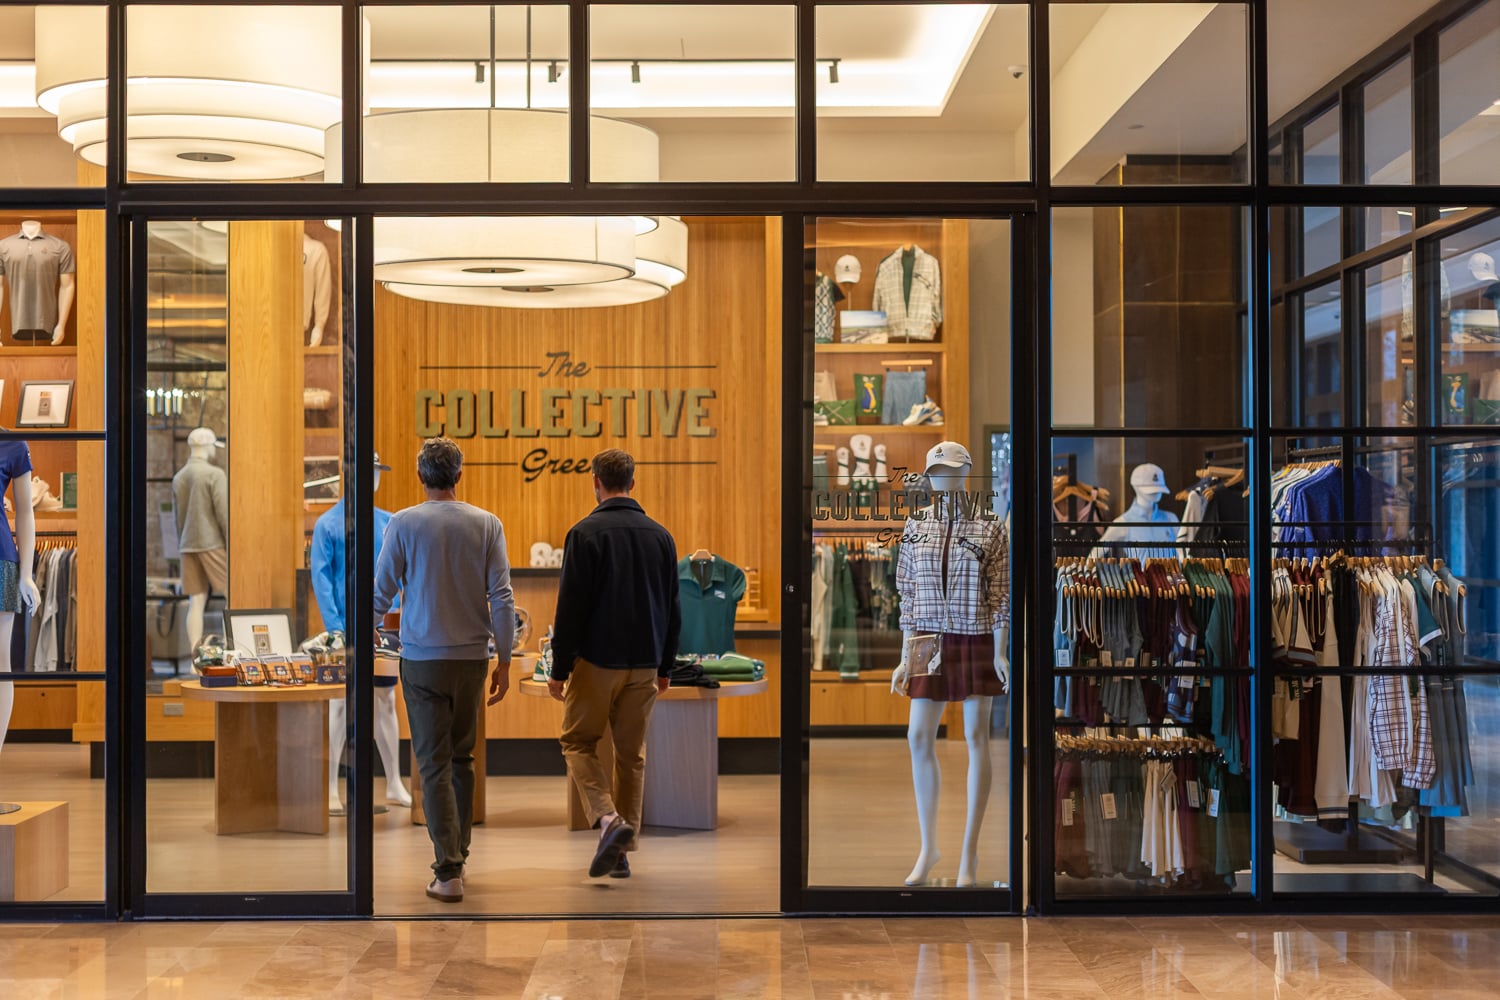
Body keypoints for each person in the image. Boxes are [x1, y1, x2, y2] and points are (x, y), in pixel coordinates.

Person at [373, 437, 514, 903]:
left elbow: (380, 592)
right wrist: (506, 659)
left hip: (423, 660)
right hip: (473, 659)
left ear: (420, 477)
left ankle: (448, 870)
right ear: (459, 474)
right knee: (462, 759)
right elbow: (502, 598)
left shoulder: (404, 523)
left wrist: (360, 638)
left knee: (432, 764)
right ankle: (458, 858)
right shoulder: (487, 524)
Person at [548, 449, 681, 880]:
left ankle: (608, 820)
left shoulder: (584, 534)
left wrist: (559, 668)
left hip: (597, 661)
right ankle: (623, 852)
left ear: (595, 482)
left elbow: (570, 609)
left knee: (577, 742)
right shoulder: (661, 537)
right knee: (631, 756)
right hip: (645, 663)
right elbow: (673, 610)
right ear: (633, 483)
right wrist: (665, 667)